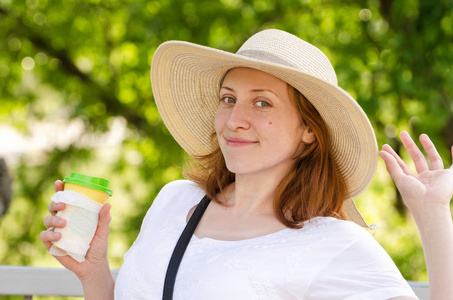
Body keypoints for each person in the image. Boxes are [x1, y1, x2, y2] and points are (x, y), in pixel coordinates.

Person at [40, 29, 453, 299]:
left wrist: (433, 216)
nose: (235, 119)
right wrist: (93, 273)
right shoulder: (174, 201)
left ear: (309, 130)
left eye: (262, 102)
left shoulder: (335, 244)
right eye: (228, 98)